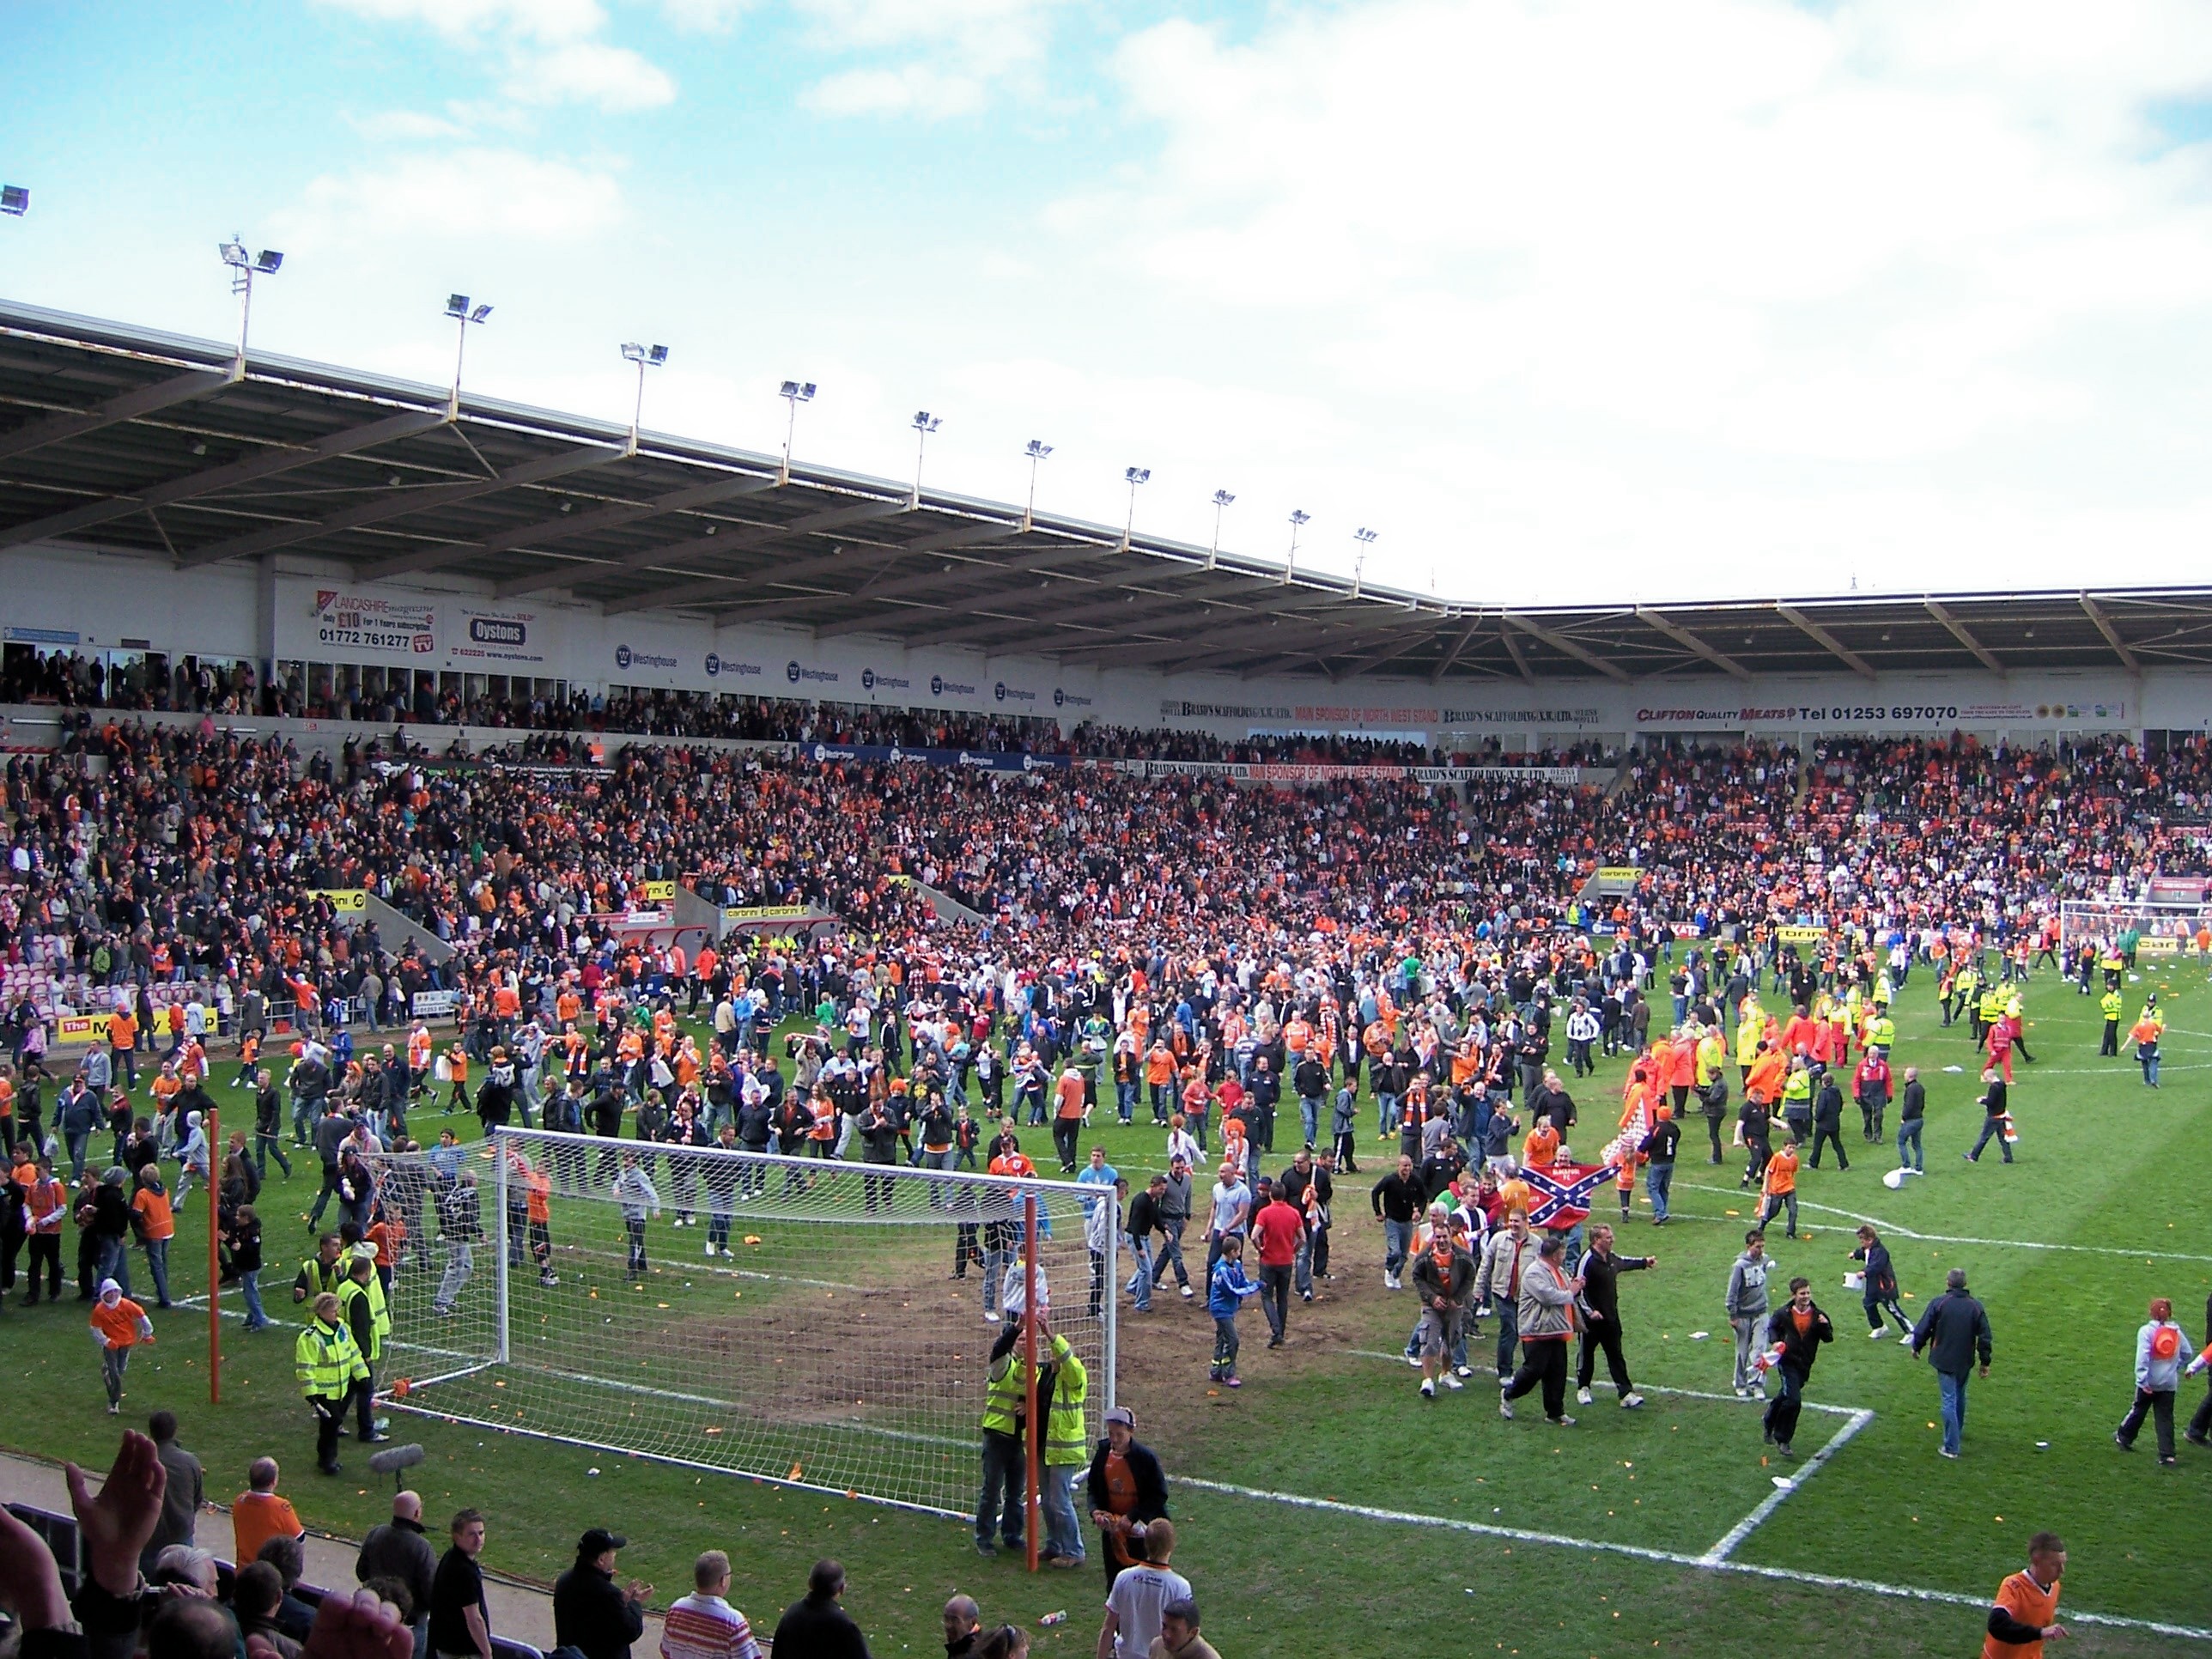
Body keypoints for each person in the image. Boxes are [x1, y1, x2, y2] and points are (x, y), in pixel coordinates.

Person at [1911, 1267, 1994, 1459]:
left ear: (1948, 1283)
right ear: (1965, 1284)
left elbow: (1923, 1328)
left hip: (1944, 1358)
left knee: (1949, 1399)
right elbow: (1985, 1337)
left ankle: (1951, 1447)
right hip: (1965, 1359)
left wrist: (1917, 1347)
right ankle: (1957, 1431)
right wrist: (1985, 1362)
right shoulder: (1976, 1306)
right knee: (1959, 1394)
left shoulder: (1940, 1303)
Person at [1087, 1405, 1170, 1594]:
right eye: (1111, 1434)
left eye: (1119, 1435)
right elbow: (1093, 1488)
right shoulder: (1102, 1453)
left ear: (1131, 1431)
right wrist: (1096, 1511)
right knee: (1114, 1583)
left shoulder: (1145, 1458)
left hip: (1142, 1533)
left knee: (1142, 1584)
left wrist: (1132, 1516)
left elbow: (1159, 1494)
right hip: (1113, 1530)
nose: (1114, 1440)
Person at [1500, 1234, 1580, 1425]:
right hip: (1537, 1330)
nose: (1564, 1256)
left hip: (1557, 1329)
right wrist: (1572, 1292)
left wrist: (1577, 1288)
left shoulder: (1559, 1271)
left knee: (1557, 1373)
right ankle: (1509, 1393)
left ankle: (1555, 1412)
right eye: (1562, 1253)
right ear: (1554, 1255)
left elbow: (1567, 1292)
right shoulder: (1534, 1273)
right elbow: (1548, 1297)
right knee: (1534, 1370)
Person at [1574, 1224, 1652, 1409]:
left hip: (1610, 1316)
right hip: (1591, 1321)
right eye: (1608, 1238)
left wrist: (1644, 1262)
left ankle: (1626, 1393)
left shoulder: (1610, 1257)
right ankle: (1583, 1387)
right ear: (1596, 1240)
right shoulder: (1587, 1261)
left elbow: (1623, 1262)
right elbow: (1578, 1289)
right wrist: (1590, 1312)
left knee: (1616, 1354)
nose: (1612, 1240)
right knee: (1587, 1354)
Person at [2114, 1297, 2199, 1466]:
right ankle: (2167, 1454)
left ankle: (2124, 1437)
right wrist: (2176, 1367)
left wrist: (2142, 1379)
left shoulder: (2146, 1332)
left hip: (2149, 1383)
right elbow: (2187, 1353)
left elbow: (2143, 1358)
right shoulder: (2176, 1332)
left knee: (2138, 1409)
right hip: (2169, 1383)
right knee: (2165, 1417)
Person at [295, 1290, 369, 1474]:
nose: (337, 1314)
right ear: (321, 1312)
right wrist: (310, 1393)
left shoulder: (342, 1328)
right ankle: (327, 1460)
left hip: (341, 1387)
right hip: (323, 1390)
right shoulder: (310, 1337)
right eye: (333, 1310)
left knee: (333, 1424)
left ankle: (327, 1458)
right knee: (332, 1423)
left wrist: (363, 1376)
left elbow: (353, 1353)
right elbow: (306, 1367)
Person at [357, 1492, 439, 1659]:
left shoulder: (376, 1533)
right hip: (411, 1623)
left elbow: (361, 1572)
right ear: (417, 1512)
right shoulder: (422, 1547)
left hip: (374, 1613)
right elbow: (432, 1593)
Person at [1759, 1275, 1832, 1458]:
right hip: (1787, 1362)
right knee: (1793, 1400)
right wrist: (1775, 1342)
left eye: (1808, 1292)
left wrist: (1824, 1326)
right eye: (1802, 1293)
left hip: (1805, 1365)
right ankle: (1783, 1438)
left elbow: (1828, 1338)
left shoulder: (1818, 1315)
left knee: (1785, 1395)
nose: (1806, 1296)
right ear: (1794, 1295)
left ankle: (1769, 1419)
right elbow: (1772, 1328)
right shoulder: (1783, 1313)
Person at [1096, 1518, 1189, 1659]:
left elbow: (1108, 1628)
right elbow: (1184, 1636)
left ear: (1146, 1544)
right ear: (1172, 1546)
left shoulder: (1124, 1578)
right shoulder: (1180, 1586)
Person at [555, 1528, 651, 1659]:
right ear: (601, 1559)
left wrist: (618, 1601)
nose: (615, 1555)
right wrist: (635, 1603)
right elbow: (631, 1630)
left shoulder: (564, 1581)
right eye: (612, 1552)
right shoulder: (607, 1593)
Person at [1409, 1213, 1475, 1400]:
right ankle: (1428, 1380)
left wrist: (1458, 1297)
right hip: (1432, 1306)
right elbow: (1417, 1277)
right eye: (1438, 1237)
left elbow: (1470, 1276)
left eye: (1444, 1237)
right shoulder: (1425, 1256)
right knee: (1429, 1340)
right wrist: (1431, 1297)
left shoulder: (1462, 1256)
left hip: (1454, 1306)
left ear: (1450, 1236)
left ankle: (1446, 1373)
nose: (1442, 1240)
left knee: (1451, 1340)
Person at [1982, 1532, 2068, 1657]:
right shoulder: (2013, 1586)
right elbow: (1997, 1625)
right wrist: (2040, 1633)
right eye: (2054, 1564)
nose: (2062, 1570)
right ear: (2036, 1561)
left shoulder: (2054, 1586)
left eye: (2063, 1563)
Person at [143, 1409, 204, 1572]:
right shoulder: (190, 1462)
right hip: (181, 1537)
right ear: (174, 1431)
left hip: (148, 1538)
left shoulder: (140, 1461)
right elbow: (197, 1500)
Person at [769, 1559, 870, 1659]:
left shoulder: (792, 1614)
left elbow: (777, 1654)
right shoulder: (843, 1625)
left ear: (809, 1583)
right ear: (842, 1588)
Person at [430, 1510, 494, 1659]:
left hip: (447, 1646)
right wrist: (487, 1652)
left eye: (481, 1533)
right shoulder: (464, 1571)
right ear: (457, 1537)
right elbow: (474, 1619)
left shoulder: (450, 1558)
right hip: (462, 1652)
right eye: (472, 1534)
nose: (478, 1539)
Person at [1249, 1178, 1302, 1348]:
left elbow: (1253, 1235)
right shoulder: (1293, 1213)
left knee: (1266, 1296)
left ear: (1271, 1195)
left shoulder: (1264, 1213)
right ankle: (1281, 1332)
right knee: (1282, 1297)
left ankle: (1276, 1330)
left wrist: (1261, 1249)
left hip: (1269, 1260)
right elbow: (1303, 1238)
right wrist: (1292, 1250)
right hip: (1286, 1261)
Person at [89, 1276, 152, 1414]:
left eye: (114, 1292)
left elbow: (142, 1316)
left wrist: (147, 1333)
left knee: (121, 1369)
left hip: (125, 1342)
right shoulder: (99, 1311)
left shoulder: (126, 1305)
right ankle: (114, 1402)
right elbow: (95, 1329)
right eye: (109, 1293)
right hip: (110, 1345)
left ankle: (107, 1374)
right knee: (115, 1374)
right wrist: (106, 1341)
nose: (112, 1295)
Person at [1206, 1232, 1261, 1387]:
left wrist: (1253, 1285)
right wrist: (1254, 1288)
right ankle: (1229, 1374)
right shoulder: (1221, 1270)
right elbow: (1232, 1291)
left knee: (1222, 1338)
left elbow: (1242, 1282)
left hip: (1229, 1309)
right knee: (1233, 1340)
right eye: (1238, 1251)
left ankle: (1216, 1371)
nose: (1240, 1253)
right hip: (1220, 1310)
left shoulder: (1236, 1265)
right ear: (1232, 1252)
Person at [233, 1456, 305, 1567]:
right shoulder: (280, 1507)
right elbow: (299, 1538)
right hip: (270, 1575)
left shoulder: (239, 1501)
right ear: (273, 1482)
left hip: (244, 1571)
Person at [1370, 1153, 1424, 1290]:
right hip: (1392, 1220)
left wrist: (1418, 1211)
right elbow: (1375, 1192)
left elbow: (1423, 1196)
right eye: (1404, 1166)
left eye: (1409, 1166)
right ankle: (1389, 1269)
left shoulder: (1415, 1180)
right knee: (1395, 1251)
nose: (1407, 1169)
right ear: (1398, 1166)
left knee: (1404, 1254)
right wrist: (1378, 1212)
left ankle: (1396, 1274)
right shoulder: (1390, 1180)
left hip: (1407, 1222)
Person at [1850, 1225, 1911, 1340]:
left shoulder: (1881, 1252)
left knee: (1892, 1308)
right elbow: (1864, 1253)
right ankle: (1879, 1327)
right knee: (1868, 1304)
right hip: (1873, 1286)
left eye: (1862, 1240)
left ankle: (1910, 1331)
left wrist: (1864, 1272)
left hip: (1884, 1286)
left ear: (1870, 1240)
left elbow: (1876, 1266)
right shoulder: (1869, 1249)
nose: (1861, 1243)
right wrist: (1855, 1255)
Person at [1965, 1068, 2013, 1164]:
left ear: (1991, 1077)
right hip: (2002, 1116)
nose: (1987, 1081)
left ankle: (1973, 1156)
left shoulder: (1994, 1087)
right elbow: (1996, 1099)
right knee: (2003, 1139)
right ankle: (2008, 1158)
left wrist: (1981, 1100)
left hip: (1993, 1117)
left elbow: (1991, 1102)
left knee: (1984, 1137)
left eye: (1987, 1078)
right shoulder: (2002, 1084)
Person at [1757, 1138, 1800, 1240]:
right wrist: (1765, 1186)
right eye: (1790, 1147)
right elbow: (1768, 1171)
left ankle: (1790, 1232)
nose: (1792, 1150)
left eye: (1793, 1148)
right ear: (1784, 1147)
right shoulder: (1777, 1157)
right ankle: (1762, 1225)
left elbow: (1793, 1172)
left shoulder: (1795, 1159)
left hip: (1789, 1188)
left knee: (1793, 1210)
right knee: (1774, 1211)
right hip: (1777, 1189)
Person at [1147, 1599, 1218, 1659]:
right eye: (1164, 1626)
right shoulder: (1157, 1646)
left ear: (1193, 1632)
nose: (1166, 1635)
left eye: (1174, 1630)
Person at [1895, 1066, 1926, 1174]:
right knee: (1917, 1144)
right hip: (1919, 1119)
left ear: (1909, 1076)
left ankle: (1906, 1165)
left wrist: (1904, 1117)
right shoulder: (1920, 1087)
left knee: (1901, 1141)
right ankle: (1919, 1168)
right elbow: (1922, 1104)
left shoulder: (1911, 1089)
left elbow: (1909, 1105)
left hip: (1911, 1120)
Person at [939, 1595, 982, 1659]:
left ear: (973, 1622)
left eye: (955, 1620)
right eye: (946, 1619)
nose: (948, 1625)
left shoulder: (978, 1654)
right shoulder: (958, 1650)